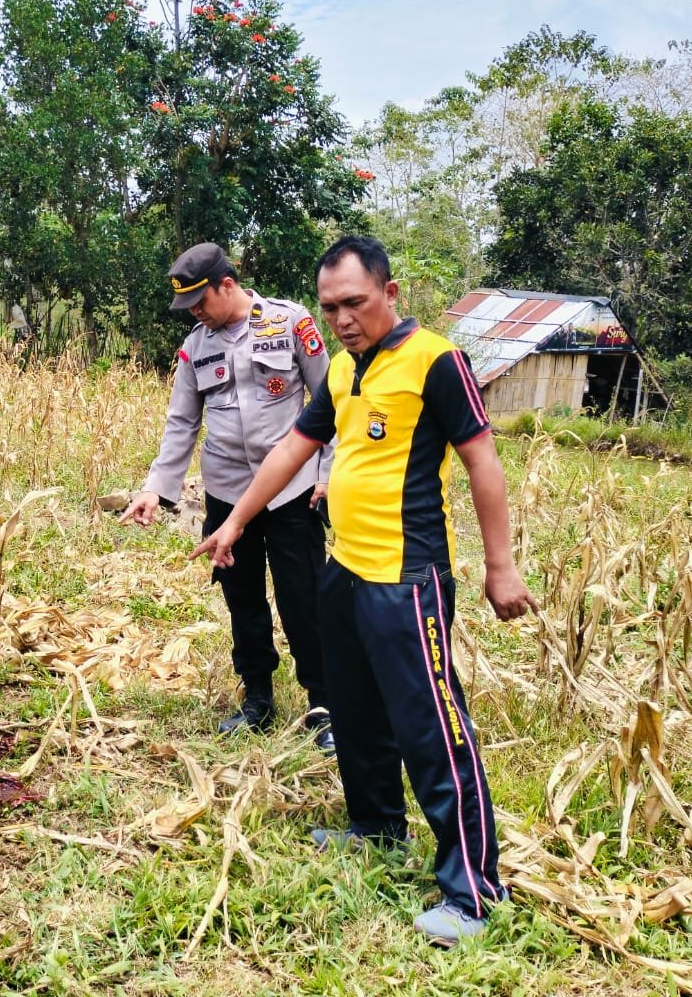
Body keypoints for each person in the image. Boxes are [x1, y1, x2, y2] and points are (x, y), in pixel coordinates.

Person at [192, 235, 535, 947]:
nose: (343, 318)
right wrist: (233, 524)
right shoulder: (345, 372)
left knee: (433, 729)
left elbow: (482, 462)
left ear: (390, 294)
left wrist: (501, 568)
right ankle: (375, 829)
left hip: (406, 582)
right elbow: (294, 449)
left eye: (354, 302)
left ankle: (473, 891)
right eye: (330, 307)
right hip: (343, 571)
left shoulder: (435, 360)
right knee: (355, 714)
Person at [121, 242, 334, 749]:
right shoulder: (196, 346)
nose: (194, 312)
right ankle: (257, 697)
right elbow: (181, 424)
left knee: (303, 596)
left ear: (228, 285)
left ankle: (324, 704)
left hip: (292, 490)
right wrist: (156, 488)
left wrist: (329, 472)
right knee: (242, 599)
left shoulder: (289, 323)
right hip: (224, 492)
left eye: (200, 300)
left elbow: (333, 401)